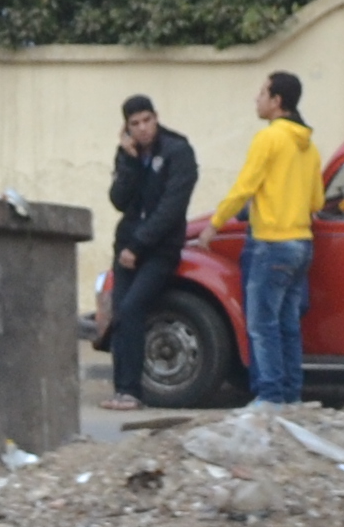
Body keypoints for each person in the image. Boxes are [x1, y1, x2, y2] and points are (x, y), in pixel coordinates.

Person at [213, 70, 318, 406]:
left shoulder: (269, 139)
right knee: (288, 324)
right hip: (301, 243)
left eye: (262, 93)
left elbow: (246, 186)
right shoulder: (309, 147)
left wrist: (215, 223)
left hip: (271, 242)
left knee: (262, 324)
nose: (256, 99)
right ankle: (291, 396)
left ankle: (270, 396)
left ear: (277, 102)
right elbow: (316, 201)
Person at [96, 95, 200, 409]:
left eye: (147, 120)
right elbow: (119, 199)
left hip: (159, 250)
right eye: (134, 124)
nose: (142, 129)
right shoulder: (129, 154)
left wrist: (139, 245)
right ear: (126, 127)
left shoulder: (177, 151)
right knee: (119, 315)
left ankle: (132, 392)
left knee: (132, 307)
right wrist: (128, 162)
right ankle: (123, 390)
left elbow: (171, 208)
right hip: (127, 246)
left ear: (156, 118)